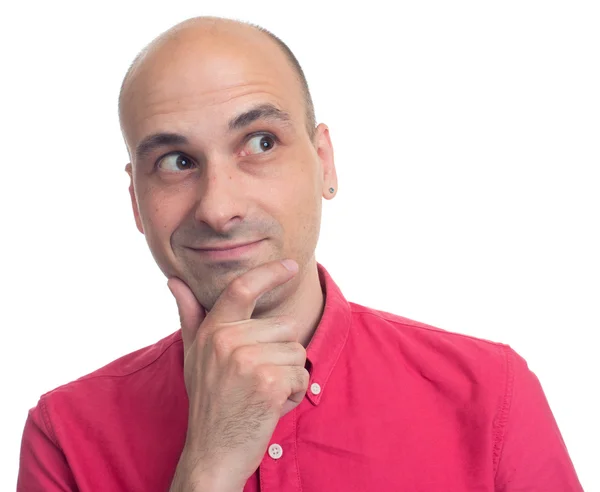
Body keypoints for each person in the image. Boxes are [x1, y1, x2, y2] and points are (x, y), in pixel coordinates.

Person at [17, 16, 583, 492]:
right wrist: (208, 467)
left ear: (325, 163)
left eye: (261, 142)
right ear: (136, 203)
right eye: (175, 161)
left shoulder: (491, 394)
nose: (219, 207)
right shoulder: (65, 435)